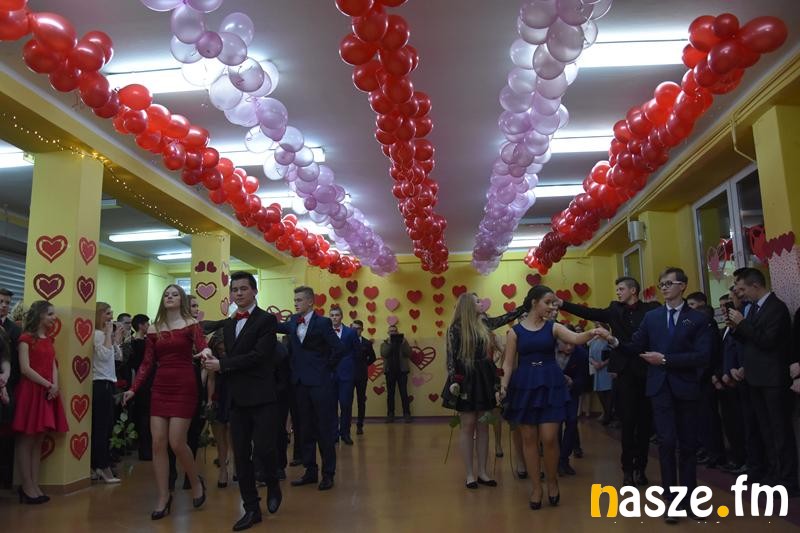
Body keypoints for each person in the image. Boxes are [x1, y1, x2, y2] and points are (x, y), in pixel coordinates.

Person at [609, 267, 714, 524]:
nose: (664, 288)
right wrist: (614, 342)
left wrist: (666, 359)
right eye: (661, 284)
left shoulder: (698, 319)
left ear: (683, 286)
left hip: (686, 387)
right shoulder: (653, 317)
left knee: (688, 445)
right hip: (660, 389)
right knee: (666, 443)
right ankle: (671, 501)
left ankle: (689, 499)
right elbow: (636, 346)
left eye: (669, 283)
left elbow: (703, 356)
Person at [498, 286, 610, 510]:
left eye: (553, 303)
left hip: (550, 382)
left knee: (549, 438)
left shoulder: (553, 327)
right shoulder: (515, 332)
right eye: (547, 302)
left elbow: (576, 338)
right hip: (525, 385)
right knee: (529, 439)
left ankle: (552, 481)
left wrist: (593, 332)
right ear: (534, 303)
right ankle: (536, 487)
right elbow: (508, 364)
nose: (552, 307)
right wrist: (503, 387)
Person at [556, 276, 659, 486]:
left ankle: (641, 468)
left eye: (621, 289)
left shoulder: (650, 310)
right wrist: (563, 304)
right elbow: (590, 312)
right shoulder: (614, 310)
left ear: (633, 290)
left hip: (646, 371)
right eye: (617, 289)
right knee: (627, 422)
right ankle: (627, 469)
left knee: (645, 423)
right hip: (624, 373)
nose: (618, 292)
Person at [200, 272, 282, 531]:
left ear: (254, 291)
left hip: (263, 396)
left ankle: (273, 482)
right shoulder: (228, 324)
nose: (238, 293)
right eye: (234, 289)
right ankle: (251, 508)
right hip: (236, 397)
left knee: (265, 449)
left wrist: (222, 365)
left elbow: (259, 356)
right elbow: (210, 343)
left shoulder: (267, 320)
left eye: (243, 288)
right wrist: (208, 354)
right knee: (242, 455)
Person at [122, 284, 211, 520]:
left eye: (174, 294)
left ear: (181, 300)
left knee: (177, 442)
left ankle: (195, 481)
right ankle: (163, 497)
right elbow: (147, 363)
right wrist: (133, 389)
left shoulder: (191, 324)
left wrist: (206, 353)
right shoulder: (154, 328)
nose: (170, 297)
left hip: (184, 385)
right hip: (160, 386)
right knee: (158, 443)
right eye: (166, 295)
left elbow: (203, 347)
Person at [728, 268, 799, 494]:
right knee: (765, 430)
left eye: (742, 289)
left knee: (780, 431)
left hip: (773, 379)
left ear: (755, 285)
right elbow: (749, 339)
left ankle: (788, 479)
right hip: (755, 377)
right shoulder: (752, 308)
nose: (740, 294)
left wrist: (742, 323)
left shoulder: (776, 308)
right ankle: (774, 472)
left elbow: (767, 340)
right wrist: (736, 325)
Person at [277, 286, 342, 492]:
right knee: (304, 428)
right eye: (294, 299)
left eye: (299, 300)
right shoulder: (292, 321)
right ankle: (310, 471)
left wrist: (326, 367)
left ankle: (328, 473)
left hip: (320, 382)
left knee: (324, 428)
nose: (295, 303)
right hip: (299, 384)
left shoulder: (323, 322)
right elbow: (277, 327)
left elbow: (339, 348)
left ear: (310, 302)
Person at [12, 300, 69, 504]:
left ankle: (34, 485)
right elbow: (25, 369)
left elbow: (53, 364)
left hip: (47, 392)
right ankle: (26, 486)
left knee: (38, 441)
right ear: (40, 315)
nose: (54, 318)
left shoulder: (49, 339)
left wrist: (55, 385)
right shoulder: (25, 339)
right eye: (50, 314)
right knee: (26, 440)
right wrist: (49, 384)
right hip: (31, 392)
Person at [441, 294, 501, 489]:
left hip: (483, 378)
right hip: (466, 378)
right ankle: (469, 474)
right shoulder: (455, 328)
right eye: (477, 301)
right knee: (467, 425)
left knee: (484, 425)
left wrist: (523, 308)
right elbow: (451, 358)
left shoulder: (483, 324)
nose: (481, 303)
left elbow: (503, 319)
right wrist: (453, 381)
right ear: (468, 306)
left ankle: (482, 472)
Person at [168, 295, 206, 491]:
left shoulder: (197, 328)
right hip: (173, 382)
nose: (196, 309)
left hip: (193, 381)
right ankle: (171, 473)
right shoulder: (171, 328)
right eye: (193, 305)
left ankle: (189, 476)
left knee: (193, 431)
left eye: (197, 306)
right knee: (172, 433)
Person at [91, 302, 123, 484]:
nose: (111, 317)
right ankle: (102, 466)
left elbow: (117, 356)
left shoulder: (105, 335)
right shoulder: (97, 335)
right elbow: (103, 356)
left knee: (107, 426)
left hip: (108, 383)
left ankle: (98, 465)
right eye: (108, 313)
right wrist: (108, 336)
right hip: (100, 383)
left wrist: (114, 337)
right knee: (101, 428)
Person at [557, 336, 589, 476]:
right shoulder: (548, 351)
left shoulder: (581, 354)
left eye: (572, 344)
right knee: (555, 426)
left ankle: (564, 459)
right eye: (565, 344)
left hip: (571, 393)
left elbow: (583, 378)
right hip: (552, 394)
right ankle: (556, 460)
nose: (569, 347)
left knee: (571, 422)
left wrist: (572, 382)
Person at [204, 330, 232, 488]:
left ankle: (235, 465)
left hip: (233, 393)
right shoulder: (211, 357)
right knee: (219, 436)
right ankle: (223, 470)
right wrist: (210, 400)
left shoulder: (235, 354)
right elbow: (211, 380)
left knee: (233, 432)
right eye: (220, 350)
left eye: (224, 349)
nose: (222, 352)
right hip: (219, 394)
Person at [329, 306, 360, 444]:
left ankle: (345, 433)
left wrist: (350, 366)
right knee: (331, 405)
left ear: (341, 316)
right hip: (330, 374)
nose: (334, 317)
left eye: (336, 315)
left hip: (347, 374)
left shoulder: (351, 332)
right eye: (332, 315)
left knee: (346, 404)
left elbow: (357, 352)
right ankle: (334, 434)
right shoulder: (325, 332)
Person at [128, 314, 152, 461]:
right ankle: (145, 450)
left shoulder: (134, 342)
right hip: (144, 381)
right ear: (141, 325)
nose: (149, 326)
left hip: (141, 380)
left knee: (144, 415)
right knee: (145, 416)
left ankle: (145, 449)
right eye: (147, 324)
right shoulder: (140, 343)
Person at [380, 325, 412, 423]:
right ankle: (390, 415)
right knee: (390, 394)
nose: (393, 333)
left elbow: (408, 353)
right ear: (388, 333)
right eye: (391, 331)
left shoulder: (403, 342)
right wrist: (389, 343)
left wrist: (403, 343)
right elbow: (384, 354)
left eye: (394, 331)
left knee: (404, 393)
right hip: (390, 371)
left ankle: (407, 414)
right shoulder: (385, 343)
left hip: (402, 371)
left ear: (397, 332)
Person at [350, 320, 376, 435]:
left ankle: (360, 425)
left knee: (361, 400)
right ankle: (346, 426)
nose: (355, 331)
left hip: (361, 375)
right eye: (353, 328)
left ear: (362, 329)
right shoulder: (347, 341)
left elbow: (373, 357)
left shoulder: (366, 343)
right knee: (347, 401)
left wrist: (365, 364)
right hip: (348, 375)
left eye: (358, 328)